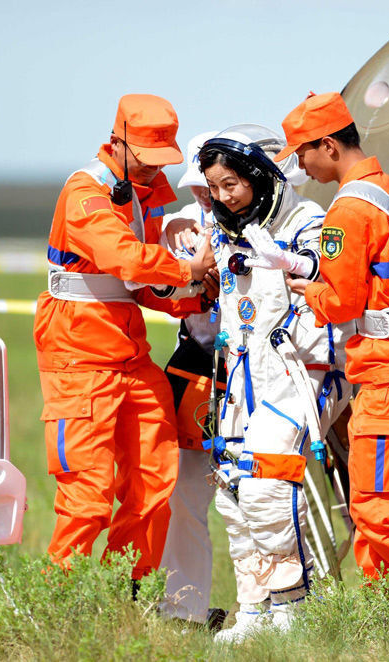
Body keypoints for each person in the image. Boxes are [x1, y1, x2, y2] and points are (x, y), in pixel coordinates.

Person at [33, 94, 217, 582]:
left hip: (130, 355)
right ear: (119, 142)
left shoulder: (142, 193)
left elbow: (142, 287)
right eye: (147, 158)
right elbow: (126, 259)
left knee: (155, 483)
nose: (156, 171)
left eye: (164, 161)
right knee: (86, 496)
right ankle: (60, 606)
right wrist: (187, 268)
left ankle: (125, 595)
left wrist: (198, 297)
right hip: (79, 359)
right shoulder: (85, 192)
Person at [278, 93, 389, 582]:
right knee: (375, 504)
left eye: (302, 154)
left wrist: (304, 287)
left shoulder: (347, 212)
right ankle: (385, 617)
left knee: (378, 511)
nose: (301, 166)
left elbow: (340, 304)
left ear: (329, 146)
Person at [195, 124, 351, 642]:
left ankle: (294, 607)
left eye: (230, 185)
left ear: (261, 177)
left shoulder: (310, 221)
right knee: (233, 493)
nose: (221, 197)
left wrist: (294, 263)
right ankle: (256, 610)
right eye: (213, 187)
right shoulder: (224, 229)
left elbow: (335, 275)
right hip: (244, 372)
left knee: (265, 482)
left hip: (303, 369)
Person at [153, 130, 225, 628]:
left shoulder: (282, 224)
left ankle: (279, 608)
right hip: (197, 367)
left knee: (262, 499)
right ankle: (184, 610)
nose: (204, 196)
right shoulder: (183, 227)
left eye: (213, 186)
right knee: (182, 493)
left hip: (262, 373)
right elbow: (159, 280)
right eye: (198, 187)